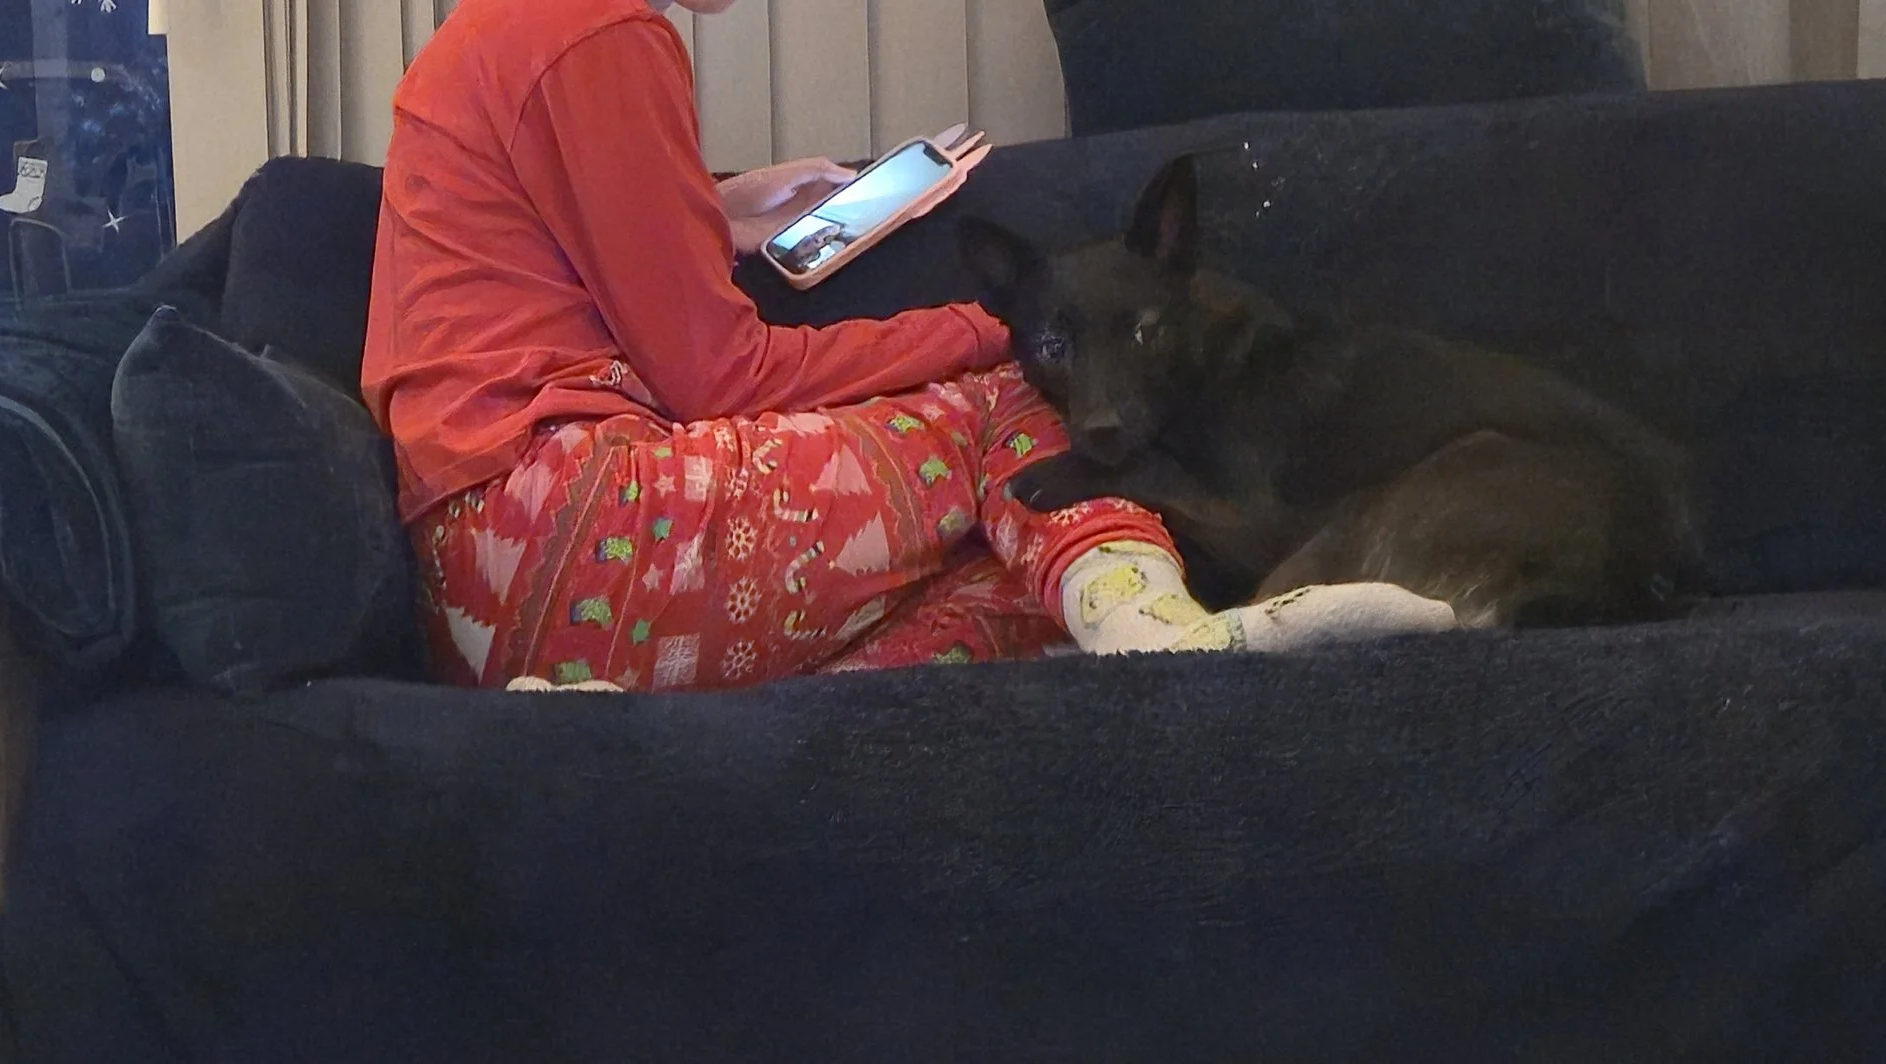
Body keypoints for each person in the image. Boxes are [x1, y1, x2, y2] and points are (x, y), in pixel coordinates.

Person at [362, 0, 1456, 693]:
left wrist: (707, 208)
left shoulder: (500, 28)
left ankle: (1121, 629)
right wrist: (993, 328)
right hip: (576, 518)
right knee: (1019, 400)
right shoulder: (598, 27)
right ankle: (1173, 637)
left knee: (1016, 586)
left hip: (482, 607)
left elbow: (546, 249)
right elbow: (718, 375)